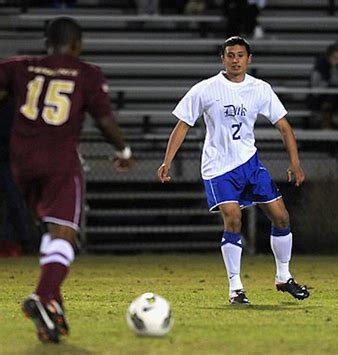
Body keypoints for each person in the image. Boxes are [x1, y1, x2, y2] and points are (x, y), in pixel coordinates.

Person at [0, 17, 133, 342]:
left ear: (47, 42)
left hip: (21, 163)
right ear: (77, 44)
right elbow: (103, 119)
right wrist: (124, 150)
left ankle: (53, 310)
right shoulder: (86, 73)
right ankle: (43, 297)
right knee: (65, 234)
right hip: (59, 160)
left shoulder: (21, 66)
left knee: (49, 231)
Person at [157, 36, 309, 305]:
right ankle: (236, 288)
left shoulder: (259, 89)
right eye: (230, 55)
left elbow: (284, 126)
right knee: (233, 219)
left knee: (282, 217)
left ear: (249, 59)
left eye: (240, 55)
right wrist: (167, 161)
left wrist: (294, 162)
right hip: (218, 168)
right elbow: (183, 124)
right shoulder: (206, 89)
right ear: (223, 59)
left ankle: (284, 277)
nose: (235, 60)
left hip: (250, 164)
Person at [0, 94, 31, 257]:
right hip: (9, 159)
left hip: (10, 160)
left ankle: (20, 242)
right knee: (14, 202)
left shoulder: (14, 108)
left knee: (15, 202)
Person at [309, 41, 338, 129]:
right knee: (328, 102)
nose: (337, 61)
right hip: (321, 101)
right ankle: (326, 126)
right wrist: (328, 83)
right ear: (328, 57)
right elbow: (315, 91)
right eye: (335, 58)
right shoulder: (319, 69)